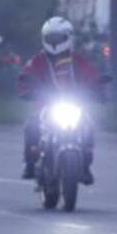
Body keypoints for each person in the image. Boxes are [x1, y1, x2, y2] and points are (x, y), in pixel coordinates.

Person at [17, 17, 102, 184]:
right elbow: (27, 75)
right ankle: (30, 163)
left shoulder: (77, 59)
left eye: (59, 38)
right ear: (44, 39)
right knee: (31, 127)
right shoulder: (39, 60)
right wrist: (27, 88)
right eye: (51, 38)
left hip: (75, 105)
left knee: (89, 127)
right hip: (46, 107)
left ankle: (85, 165)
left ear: (68, 38)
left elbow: (91, 74)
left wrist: (98, 89)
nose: (55, 42)